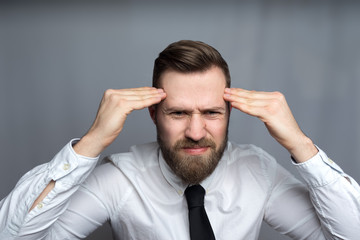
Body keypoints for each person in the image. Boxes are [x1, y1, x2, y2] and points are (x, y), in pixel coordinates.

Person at [0, 40, 359, 240]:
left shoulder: (256, 172)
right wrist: (91, 142)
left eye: (212, 113)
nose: (196, 132)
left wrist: (300, 144)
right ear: (154, 114)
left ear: (230, 113)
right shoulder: (120, 179)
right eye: (178, 113)